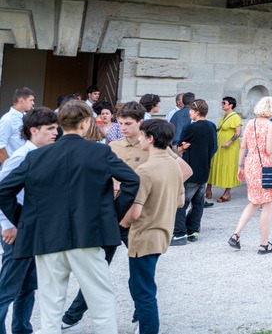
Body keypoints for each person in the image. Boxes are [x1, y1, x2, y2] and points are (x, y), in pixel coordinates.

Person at [0, 100, 140, 334]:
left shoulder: (37, 156)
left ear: (62, 124)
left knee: (51, 306)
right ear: (85, 123)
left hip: (48, 238)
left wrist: (24, 221)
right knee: (101, 301)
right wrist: (113, 215)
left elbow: (4, 190)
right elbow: (132, 180)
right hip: (88, 236)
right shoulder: (100, 151)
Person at [60, 101, 192, 331]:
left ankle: (140, 315)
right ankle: (74, 314)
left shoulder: (155, 146)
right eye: (120, 123)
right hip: (115, 213)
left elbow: (185, 171)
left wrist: (161, 193)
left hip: (139, 216)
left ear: (142, 124)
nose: (122, 127)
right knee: (97, 266)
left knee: (139, 276)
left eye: (128, 123)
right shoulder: (114, 146)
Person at [120, 119, 185, 334]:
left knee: (143, 291)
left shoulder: (144, 170)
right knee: (141, 283)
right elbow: (180, 202)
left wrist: (124, 220)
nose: (139, 138)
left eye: (142, 135)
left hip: (144, 235)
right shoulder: (174, 165)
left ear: (150, 139)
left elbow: (136, 211)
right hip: (162, 232)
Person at [0, 107, 58, 334]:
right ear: (33, 130)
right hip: (17, 231)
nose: (56, 132)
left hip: (33, 229)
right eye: (50, 129)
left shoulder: (41, 153)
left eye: (56, 128)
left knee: (28, 287)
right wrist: (7, 225)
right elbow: (2, 190)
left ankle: (22, 329)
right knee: (7, 289)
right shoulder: (20, 157)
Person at [230, 97, 272, 254]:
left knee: (254, 201)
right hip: (264, 165)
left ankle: (236, 234)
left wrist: (240, 166)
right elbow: (269, 150)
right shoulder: (270, 125)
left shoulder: (250, 123)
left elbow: (242, 147)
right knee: (267, 204)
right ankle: (264, 244)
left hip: (250, 163)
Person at [172, 99, 217, 245]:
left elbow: (179, 148)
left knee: (181, 203)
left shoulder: (190, 128)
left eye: (191, 110)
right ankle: (193, 231)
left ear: (197, 112)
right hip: (205, 168)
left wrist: (184, 147)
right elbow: (214, 148)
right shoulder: (211, 127)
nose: (189, 112)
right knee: (198, 203)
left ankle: (179, 233)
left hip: (190, 169)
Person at [207, 96, 242, 203]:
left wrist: (229, 142)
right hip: (219, 145)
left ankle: (227, 193)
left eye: (224, 103)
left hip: (230, 147)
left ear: (231, 105)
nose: (222, 104)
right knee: (214, 164)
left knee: (229, 167)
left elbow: (238, 132)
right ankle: (208, 188)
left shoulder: (235, 117)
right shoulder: (224, 115)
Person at [0, 88, 34, 164]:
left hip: (25, 163)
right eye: (31, 100)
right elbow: (0, 146)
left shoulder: (27, 117)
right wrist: (9, 167)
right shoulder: (7, 120)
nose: (33, 103)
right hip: (14, 165)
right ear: (21, 100)